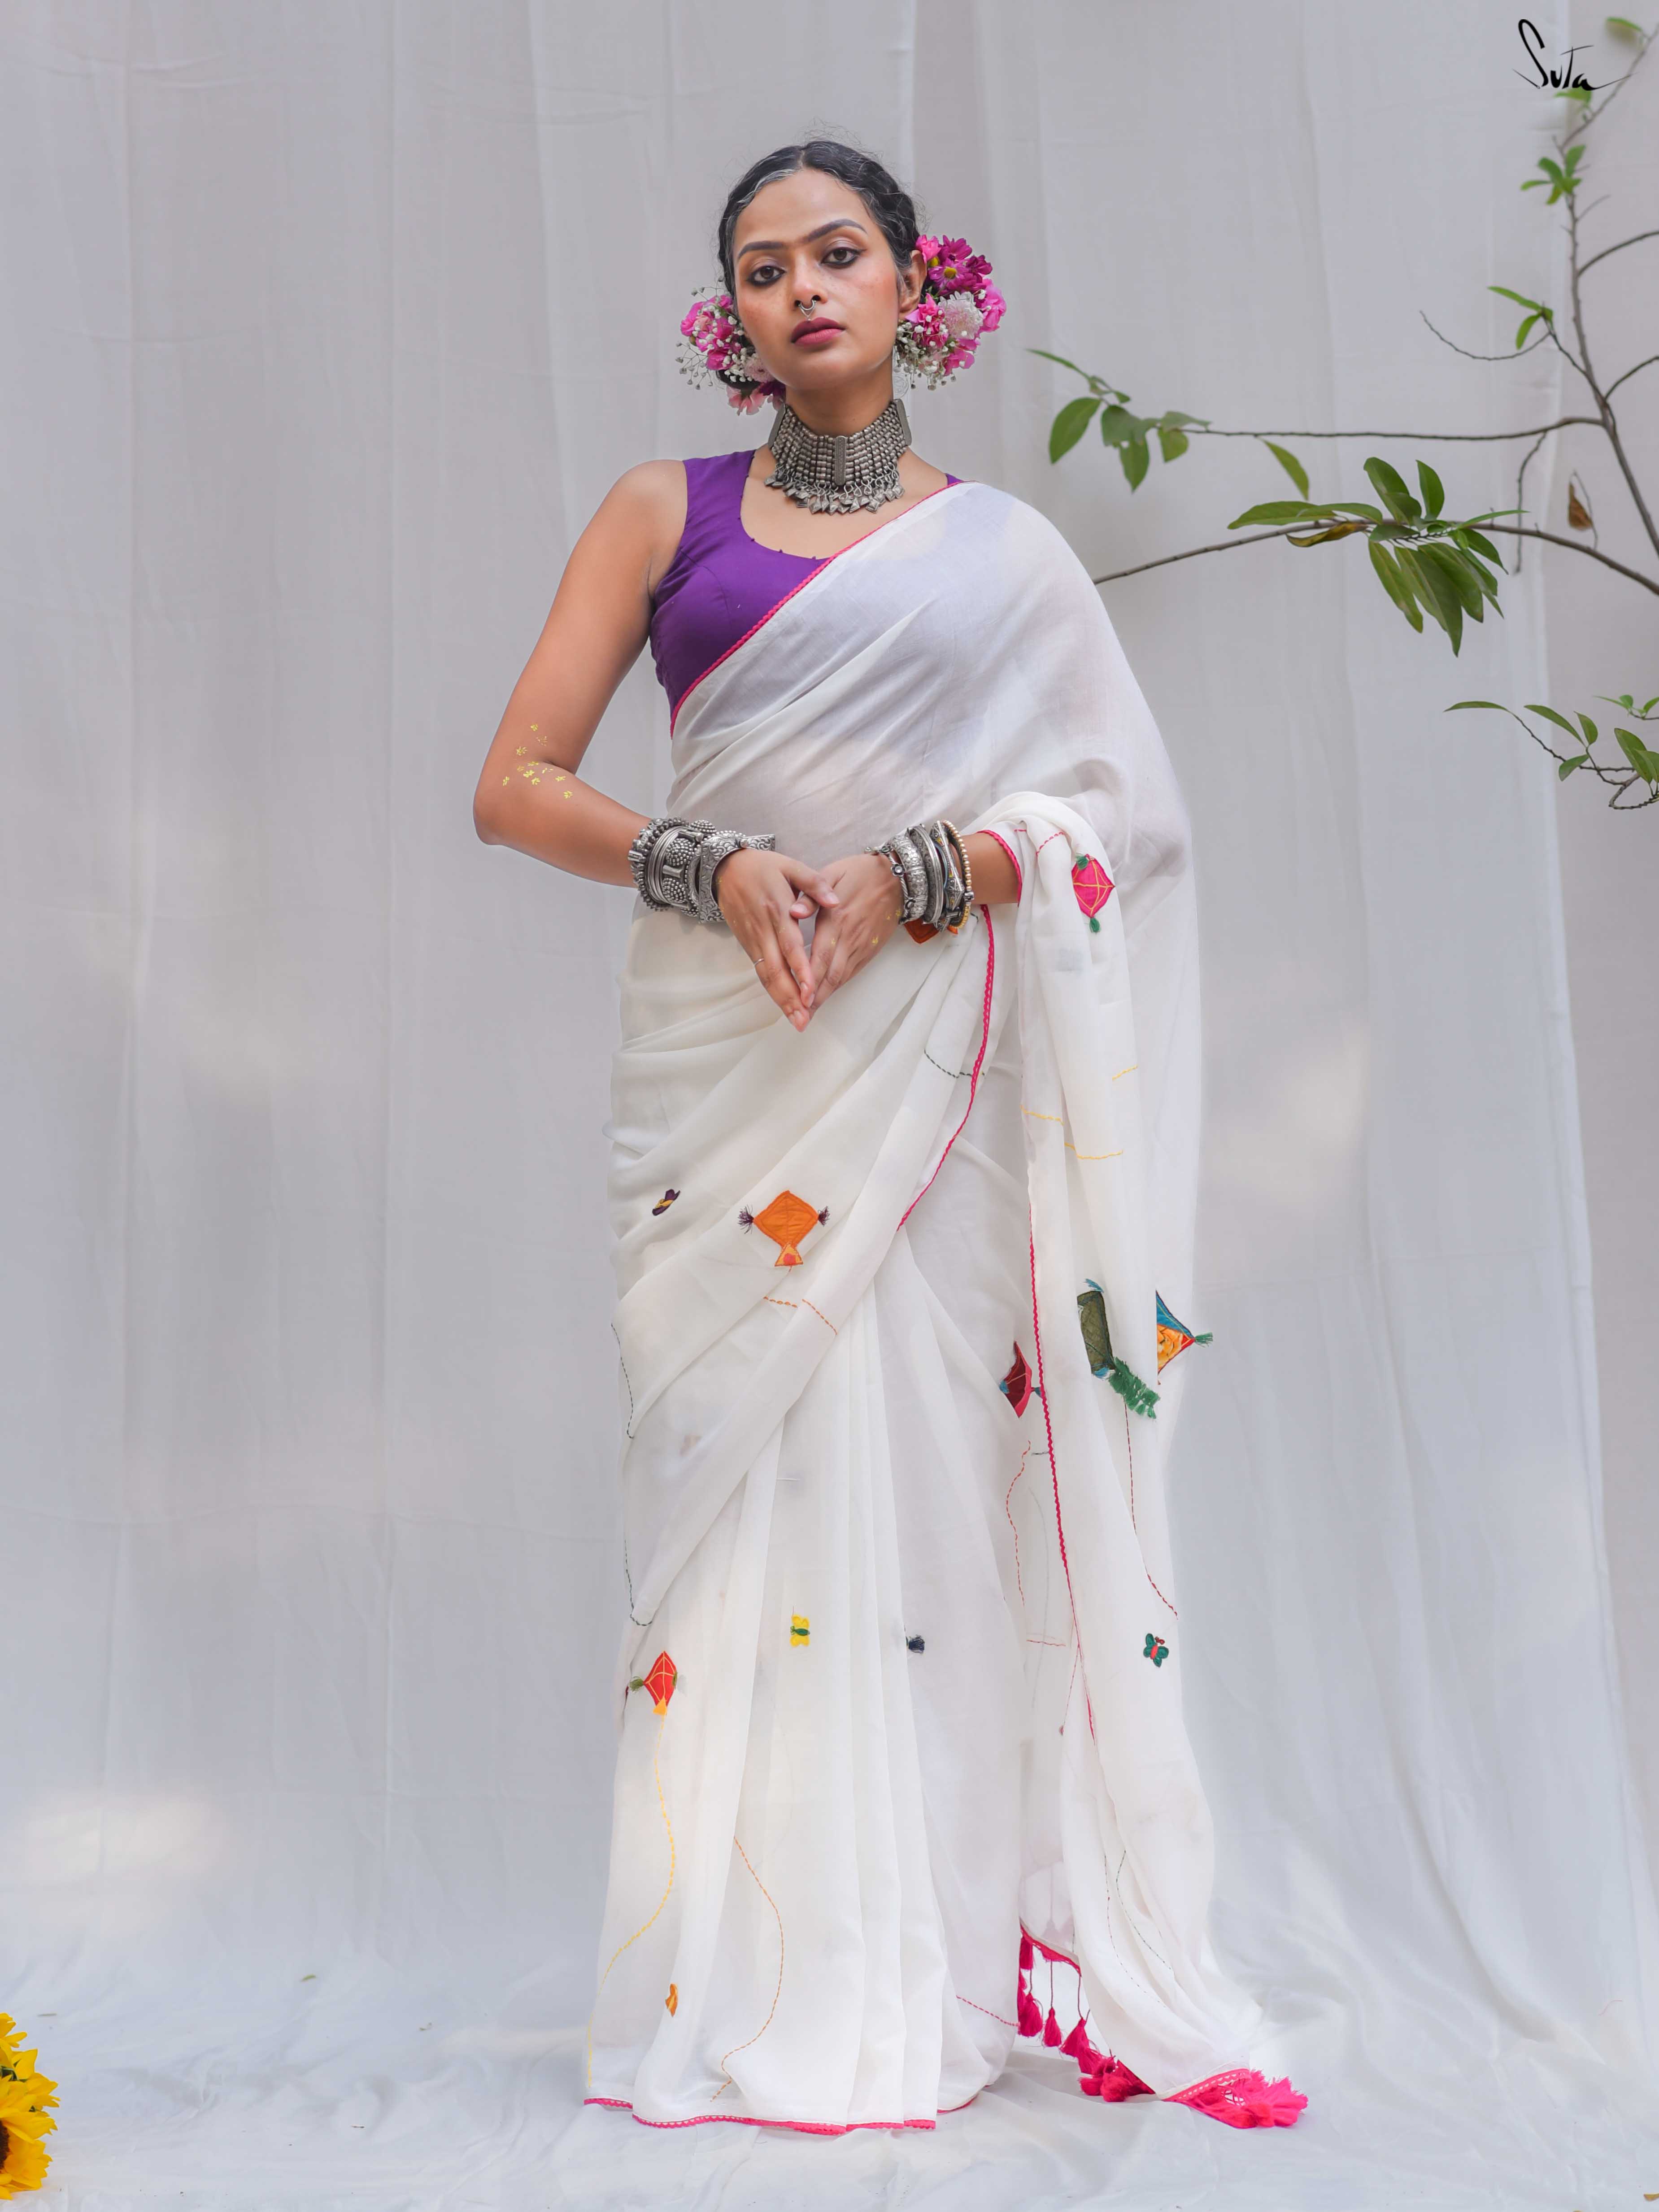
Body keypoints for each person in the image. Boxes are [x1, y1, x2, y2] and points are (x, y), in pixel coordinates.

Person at [473, 138, 1306, 2137]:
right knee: (724, 1500)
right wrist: (716, 862)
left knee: (928, 1510)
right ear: (732, 317)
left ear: (916, 286)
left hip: (928, 1085)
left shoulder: (1003, 553)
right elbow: (516, 782)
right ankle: (732, 1976)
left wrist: (933, 867)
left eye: (836, 253)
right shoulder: (658, 511)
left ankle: (913, 1980)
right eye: (763, 268)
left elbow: (1127, 808)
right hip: (724, 1070)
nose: (802, 289)